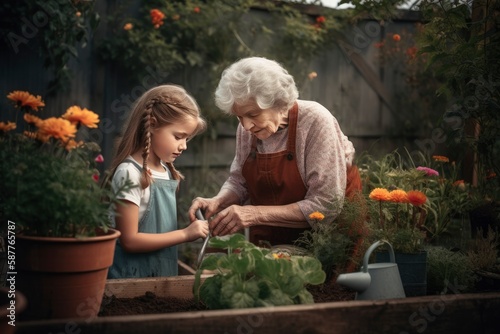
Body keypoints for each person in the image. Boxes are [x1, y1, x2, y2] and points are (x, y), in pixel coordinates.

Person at [189, 57, 361, 246]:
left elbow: (326, 204)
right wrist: (218, 201)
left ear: (279, 103)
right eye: (239, 116)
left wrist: (253, 214)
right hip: (270, 238)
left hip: (327, 243)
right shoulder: (247, 129)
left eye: (253, 114)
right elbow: (239, 181)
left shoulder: (315, 121)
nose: (246, 126)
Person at [106, 84, 208, 278]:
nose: (184, 146)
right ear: (152, 124)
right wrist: (185, 234)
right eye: (179, 137)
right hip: (130, 283)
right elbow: (129, 240)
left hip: (160, 279)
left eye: (187, 139)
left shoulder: (164, 170)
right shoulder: (129, 173)